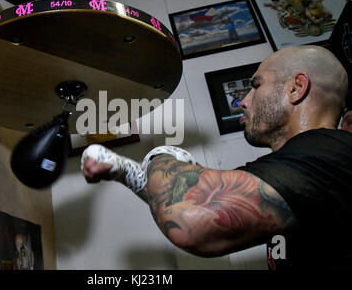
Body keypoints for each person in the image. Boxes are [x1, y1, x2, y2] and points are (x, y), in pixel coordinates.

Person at [82, 45, 352, 270]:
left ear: (297, 88)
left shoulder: (331, 154)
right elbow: (188, 196)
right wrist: (127, 171)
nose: (244, 101)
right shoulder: (312, 163)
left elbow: (192, 219)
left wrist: (163, 153)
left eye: (256, 85)